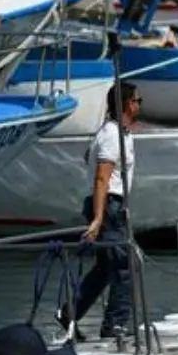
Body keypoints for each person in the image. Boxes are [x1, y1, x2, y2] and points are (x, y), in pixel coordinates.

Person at [57, 82, 140, 340]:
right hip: (109, 205)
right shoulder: (111, 136)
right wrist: (98, 218)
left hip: (114, 205)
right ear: (127, 103)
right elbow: (101, 178)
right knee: (126, 264)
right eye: (138, 100)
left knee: (106, 268)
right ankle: (115, 326)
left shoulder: (119, 133)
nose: (140, 105)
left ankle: (70, 313)